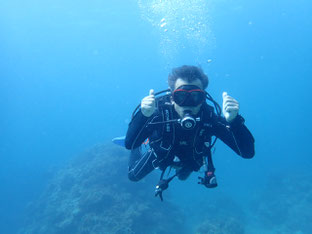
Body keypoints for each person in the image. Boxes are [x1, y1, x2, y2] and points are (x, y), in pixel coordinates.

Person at [124, 65, 255, 200]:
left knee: (182, 177)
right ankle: (142, 140)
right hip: (161, 154)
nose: (188, 103)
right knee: (133, 176)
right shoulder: (159, 114)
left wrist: (234, 121)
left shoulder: (209, 118)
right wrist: (143, 116)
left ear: (203, 98)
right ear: (172, 96)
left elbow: (247, 152)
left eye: (195, 96)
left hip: (191, 158)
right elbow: (129, 144)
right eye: (181, 96)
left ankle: (175, 162)